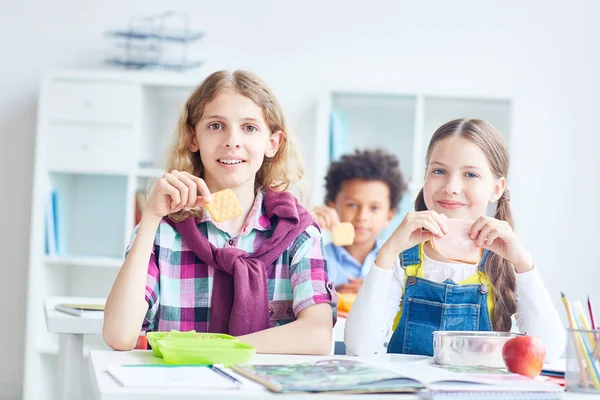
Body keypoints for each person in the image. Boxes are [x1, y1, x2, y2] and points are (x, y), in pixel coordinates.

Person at [103, 70, 337, 355]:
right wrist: (150, 218)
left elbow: (317, 335)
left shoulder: (298, 233)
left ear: (272, 143)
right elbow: (119, 335)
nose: (232, 141)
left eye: (249, 128)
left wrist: (213, 349)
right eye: (216, 126)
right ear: (193, 138)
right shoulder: (162, 231)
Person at [344, 118, 565, 361]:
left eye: (470, 174)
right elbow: (359, 347)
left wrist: (523, 264)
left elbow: (549, 352)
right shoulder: (402, 259)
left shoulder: (508, 260)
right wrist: (386, 254)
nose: (451, 187)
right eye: (439, 171)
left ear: (497, 188)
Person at [313, 149, 407, 294]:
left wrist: (376, 293)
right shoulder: (316, 257)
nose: (362, 216)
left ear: (389, 216)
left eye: (374, 208)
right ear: (332, 207)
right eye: (352, 205)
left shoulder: (399, 262)